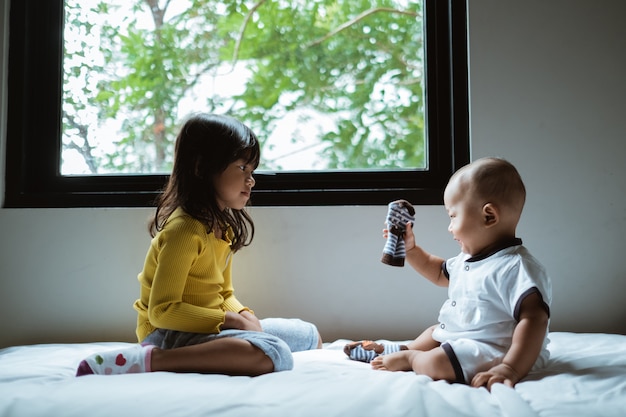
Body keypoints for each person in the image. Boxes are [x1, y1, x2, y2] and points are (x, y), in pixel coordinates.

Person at [76, 113, 322, 377]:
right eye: (242, 168)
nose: (251, 180)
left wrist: (243, 314)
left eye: (252, 171)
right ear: (201, 167)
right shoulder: (184, 229)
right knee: (276, 353)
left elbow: (223, 293)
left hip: (206, 325)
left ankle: (223, 346)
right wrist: (232, 321)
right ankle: (154, 359)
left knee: (309, 335)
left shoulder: (222, 227)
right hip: (166, 334)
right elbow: (162, 311)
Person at [345, 157, 551, 390]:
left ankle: (412, 358)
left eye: (453, 216)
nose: (449, 226)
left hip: (498, 349)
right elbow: (438, 272)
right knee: (436, 331)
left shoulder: (516, 267)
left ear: (488, 216)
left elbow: (535, 320)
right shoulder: (469, 260)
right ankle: (406, 348)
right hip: (464, 338)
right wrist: (411, 250)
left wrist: (510, 367)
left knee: (438, 361)